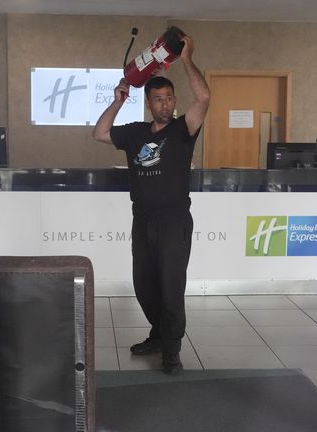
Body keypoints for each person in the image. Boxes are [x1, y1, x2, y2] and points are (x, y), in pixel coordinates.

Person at [92, 34, 210, 375]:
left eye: (169, 98)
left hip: (173, 221)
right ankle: (159, 335)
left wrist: (187, 59)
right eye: (158, 99)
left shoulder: (182, 130)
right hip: (142, 219)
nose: (165, 104)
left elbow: (203, 98)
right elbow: (100, 133)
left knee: (172, 287)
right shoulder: (135, 133)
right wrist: (117, 100)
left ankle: (171, 350)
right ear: (148, 103)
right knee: (144, 285)